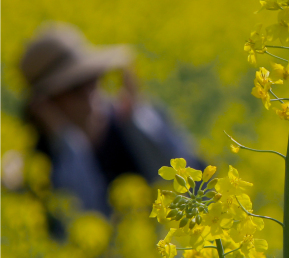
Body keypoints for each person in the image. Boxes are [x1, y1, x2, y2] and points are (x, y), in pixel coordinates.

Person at [21, 22, 202, 218]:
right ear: (46, 105)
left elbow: (193, 185)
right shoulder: (41, 165)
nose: (90, 91)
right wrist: (70, 145)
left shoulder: (130, 120)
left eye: (93, 77)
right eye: (74, 87)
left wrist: (138, 119)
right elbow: (84, 218)